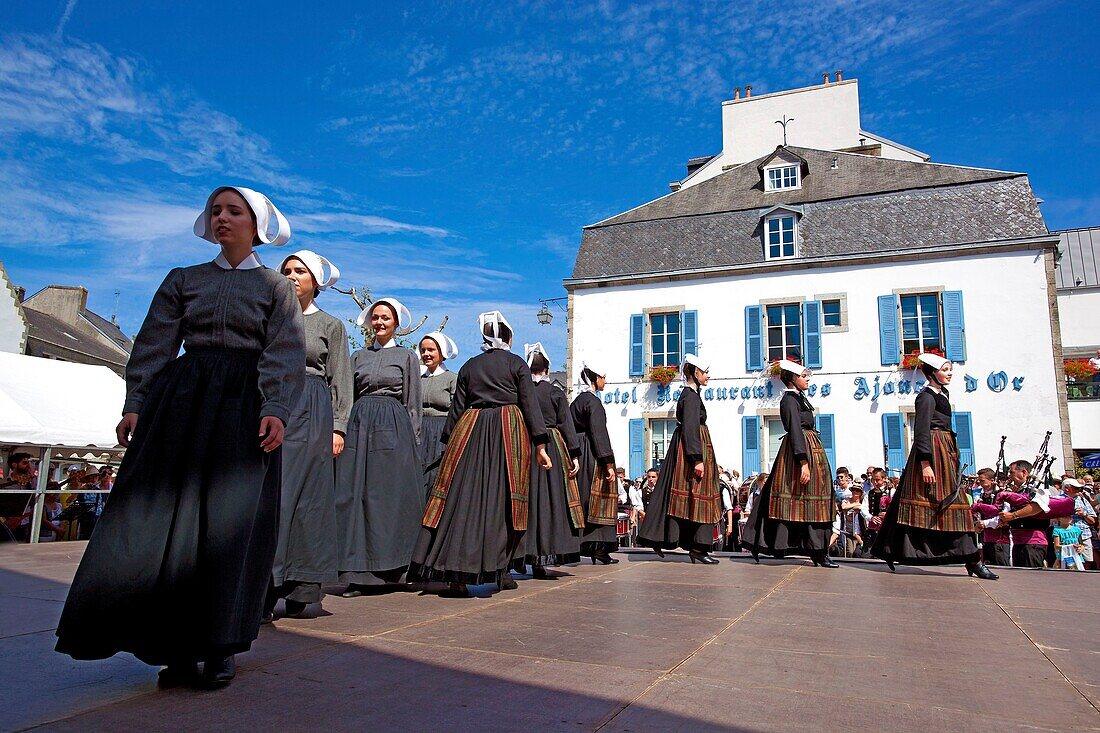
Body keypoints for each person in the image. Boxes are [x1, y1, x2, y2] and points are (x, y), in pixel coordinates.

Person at [55, 186, 305, 688]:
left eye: (234, 211)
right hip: (181, 407)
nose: (222, 219)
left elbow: (283, 351)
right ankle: (173, 647)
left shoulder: (276, 288)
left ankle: (218, 646)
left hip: (242, 410)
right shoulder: (183, 279)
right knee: (167, 524)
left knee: (227, 527)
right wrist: (136, 403)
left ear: (256, 224)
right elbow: (154, 343)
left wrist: (276, 408)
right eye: (216, 211)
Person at [410, 312, 553, 595]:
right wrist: (540, 444)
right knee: (506, 501)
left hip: (470, 429)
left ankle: (456, 573)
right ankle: (502, 571)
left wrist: (449, 442)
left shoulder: (469, 366)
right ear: (508, 337)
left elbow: (457, 409)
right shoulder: (516, 364)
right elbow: (529, 404)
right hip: (507, 430)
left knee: (463, 499)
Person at [265, 250, 352, 621]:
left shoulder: (331, 325)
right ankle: (263, 587)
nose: (291, 276)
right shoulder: (269, 318)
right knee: (272, 494)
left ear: (316, 281)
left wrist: (338, 426)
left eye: (300, 271)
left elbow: (341, 379)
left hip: (313, 409)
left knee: (308, 499)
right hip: (273, 404)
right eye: (286, 270)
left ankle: (302, 587)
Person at [870, 354, 997, 579]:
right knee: (942, 502)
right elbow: (920, 431)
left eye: (950, 369)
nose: (950, 373)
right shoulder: (926, 397)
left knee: (948, 502)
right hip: (933, 452)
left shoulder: (942, 394)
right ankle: (971, 560)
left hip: (945, 450)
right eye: (945, 369)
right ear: (932, 373)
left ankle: (969, 560)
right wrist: (926, 463)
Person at [336, 298, 424, 597]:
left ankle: (392, 569)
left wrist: (413, 442)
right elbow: (346, 395)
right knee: (355, 495)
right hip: (359, 426)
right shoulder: (358, 356)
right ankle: (357, 572)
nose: (380, 322)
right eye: (376, 317)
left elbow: (412, 402)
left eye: (386, 318)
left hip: (393, 428)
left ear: (396, 323)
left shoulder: (407, 356)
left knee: (387, 498)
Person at [742, 359, 837, 568]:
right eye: (803, 377)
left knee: (815, 502)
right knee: (809, 501)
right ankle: (814, 551)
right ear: (793, 378)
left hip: (811, 448)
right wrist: (803, 462)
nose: (807, 380)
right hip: (801, 451)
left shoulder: (798, 398)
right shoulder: (789, 400)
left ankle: (819, 551)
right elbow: (794, 429)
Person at [637, 354, 722, 564]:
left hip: (688, 448)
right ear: (695, 373)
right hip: (691, 450)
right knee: (699, 497)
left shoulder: (691, 395)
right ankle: (698, 548)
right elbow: (691, 428)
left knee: (685, 498)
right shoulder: (690, 396)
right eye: (704, 372)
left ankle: (688, 545)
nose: (708, 376)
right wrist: (697, 459)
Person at [513, 343, 583, 578]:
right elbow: (566, 424)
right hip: (551, 447)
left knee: (527, 502)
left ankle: (521, 555)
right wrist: (574, 453)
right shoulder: (554, 393)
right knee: (549, 504)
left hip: (525, 444)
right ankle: (542, 560)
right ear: (548, 368)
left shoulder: (520, 393)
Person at [571, 361, 619, 564]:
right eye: (603, 377)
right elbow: (599, 434)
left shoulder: (575, 403)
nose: (605, 381)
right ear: (594, 378)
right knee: (599, 499)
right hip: (592, 453)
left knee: (580, 499)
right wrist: (608, 462)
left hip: (577, 452)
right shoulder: (593, 402)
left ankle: (577, 546)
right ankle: (599, 548)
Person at [419, 331, 460, 497]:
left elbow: (457, 410)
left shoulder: (452, 379)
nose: (426, 354)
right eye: (423, 350)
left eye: (431, 350)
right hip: (419, 431)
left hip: (442, 432)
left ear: (442, 352)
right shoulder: (417, 378)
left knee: (437, 476)